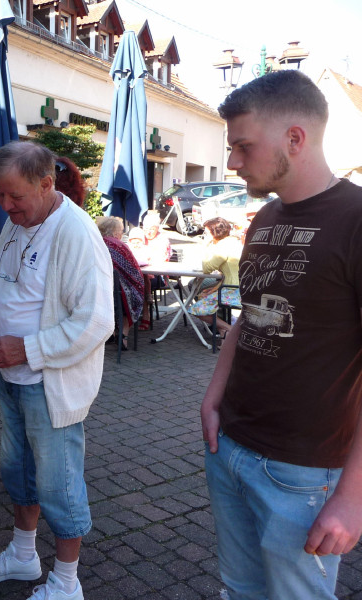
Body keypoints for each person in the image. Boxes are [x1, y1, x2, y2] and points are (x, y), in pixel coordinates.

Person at [201, 70, 362, 599]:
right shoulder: (266, 216)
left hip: (304, 469)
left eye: (243, 147)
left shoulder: (357, 219)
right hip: (230, 445)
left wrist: (354, 497)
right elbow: (249, 316)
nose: (232, 162)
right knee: (240, 590)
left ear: (296, 137)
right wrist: (213, 398)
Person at [0, 141, 113, 600]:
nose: (5, 205)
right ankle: (22, 556)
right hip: (12, 374)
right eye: (0, 195)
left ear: (46, 184)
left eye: (14, 196)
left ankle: (67, 582)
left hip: (49, 384)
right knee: (18, 471)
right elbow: (7, 280)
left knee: (59, 485)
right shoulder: (21, 223)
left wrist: (29, 349)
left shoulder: (75, 232)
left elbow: (96, 322)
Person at [186, 217, 241, 338]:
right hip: (240, 287)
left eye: (206, 232)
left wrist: (206, 246)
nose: (204, 235)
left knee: (196, 309)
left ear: (214, 232)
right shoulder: (234, 242)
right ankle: (223, 332)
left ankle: (229, 329)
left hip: (232, 290)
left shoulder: (223, 246)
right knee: (204, 291)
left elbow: (207, 268)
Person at [97, 216, 144, 351]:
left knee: (114, 297)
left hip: (100, 293)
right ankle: (123, 335)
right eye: (121, 232)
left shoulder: (96, 243)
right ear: (116, 232)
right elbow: (135, 272)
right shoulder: (120, 246)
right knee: (134, 293)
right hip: (119, 295)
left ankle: (110, 333)